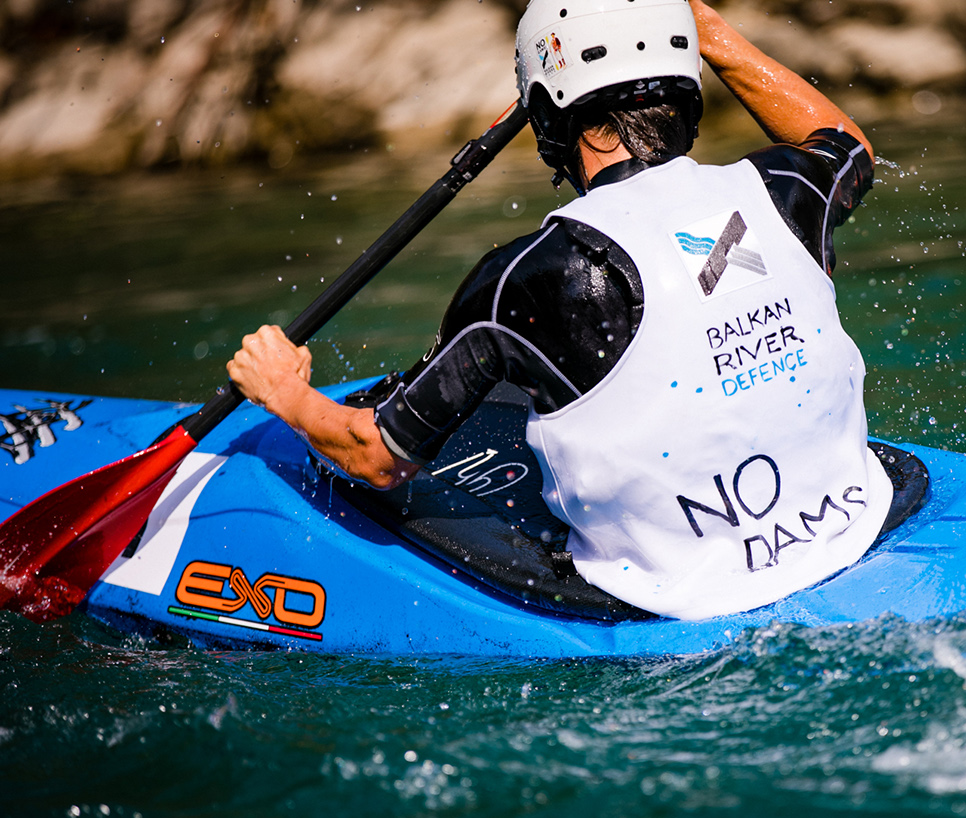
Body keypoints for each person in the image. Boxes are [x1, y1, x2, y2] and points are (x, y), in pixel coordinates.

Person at [226, 0, 891, 620]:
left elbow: (377, 459)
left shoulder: (528, 275)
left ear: (547, 119)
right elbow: (846, 144)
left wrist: (284, 392)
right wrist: (712, 34)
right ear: (685, 88)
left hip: (679, 595)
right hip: (849, 525)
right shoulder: (784, 187)